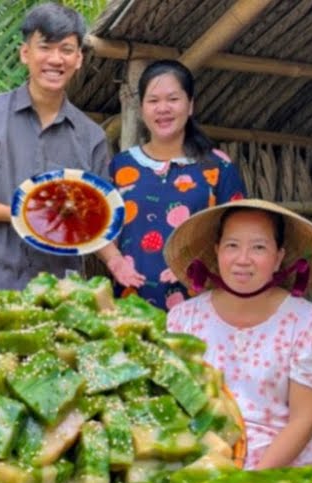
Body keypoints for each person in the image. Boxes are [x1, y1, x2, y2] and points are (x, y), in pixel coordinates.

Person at [0, 2, 110, 293]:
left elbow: (96, 217)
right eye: (45, 47)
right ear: (25, 53)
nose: (56, 59)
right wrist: (21, 213)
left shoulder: (91, 136)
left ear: (79, 58)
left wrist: (116, 260)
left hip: (60, 291)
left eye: (67, 49)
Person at [164, 199, 312, 470]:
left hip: (281, 473)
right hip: (201, 469)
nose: (243, 259)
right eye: (232, 245)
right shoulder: (184, 319)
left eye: (259, 247)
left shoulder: (308, 324)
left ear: (278, 257)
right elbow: (174, 408)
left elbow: (303, 420)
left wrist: (250, 481)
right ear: (217, 250)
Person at [99, 59, 247, 310]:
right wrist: (115, 262)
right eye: (153, 101)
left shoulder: (218, 168)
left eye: (173, 99)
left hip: (201, 310)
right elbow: (100, 226)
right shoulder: (121, 166)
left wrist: (201, 264)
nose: (163, 108)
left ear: (190, 105)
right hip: (129, 308)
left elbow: (240, 233)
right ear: (142, 108)